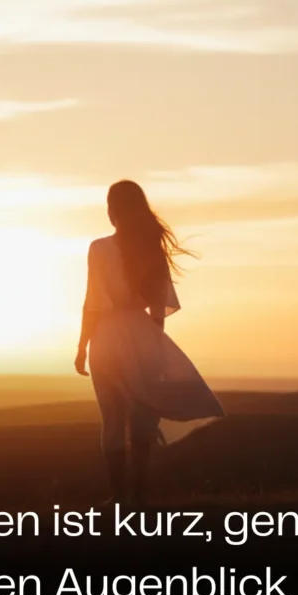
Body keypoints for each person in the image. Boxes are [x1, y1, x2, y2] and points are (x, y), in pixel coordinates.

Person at [74, 179, 224, 506]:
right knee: (142, 416)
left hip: (106, 338)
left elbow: (93, 301)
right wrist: (154, 342)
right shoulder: (150, 249)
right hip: (141, 333)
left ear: (113, 210)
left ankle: (118, 496)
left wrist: (82, 345)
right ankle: (139, 495)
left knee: (111, 418)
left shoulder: (99, 248)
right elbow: (158, 308)